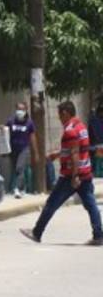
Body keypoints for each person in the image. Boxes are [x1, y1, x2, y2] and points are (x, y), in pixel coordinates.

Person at [20, 101, 103, 246]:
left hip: (70, 175)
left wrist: (74, 176)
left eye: (59, 114)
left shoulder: (70, 130)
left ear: (65, 113)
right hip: (85, 173)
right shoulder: (81, 127)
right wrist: (57, 155)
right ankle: (98, 235)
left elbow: (75, 153)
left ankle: (36, 232)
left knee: (51, 204)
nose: (58, 118)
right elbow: (78, 148)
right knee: (91, 205)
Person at [6, 102, 38, 198]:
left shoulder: (29, 123)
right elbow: (5, 133)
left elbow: (32, 137)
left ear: (26, 110)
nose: (20, 111)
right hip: (13, 149)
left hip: (24, 149)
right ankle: (18, 187)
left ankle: (17, 188)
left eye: (22, 109)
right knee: (14, 168)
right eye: (18, 109)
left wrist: (35, 152)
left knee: (19, 167)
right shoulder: (11, 121)